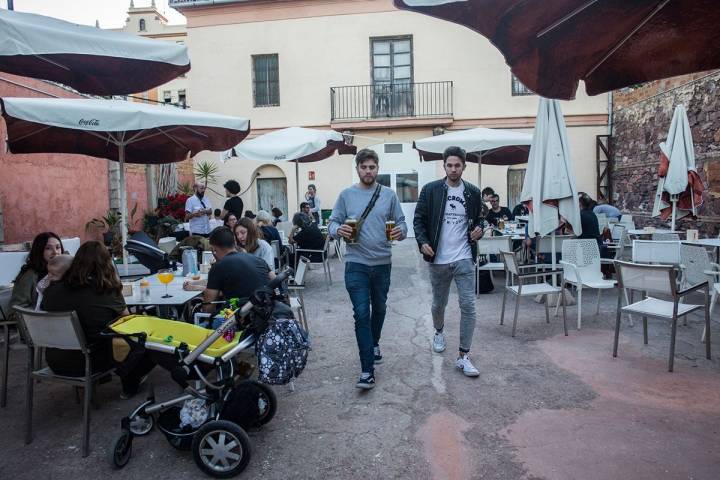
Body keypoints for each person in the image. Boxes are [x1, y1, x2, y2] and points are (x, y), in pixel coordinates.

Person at [328, 148, 407, 389]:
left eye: (372, 167)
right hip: (356, 264)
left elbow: (402, 224)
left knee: (380, 308)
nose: (368, 171)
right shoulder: (346, 195)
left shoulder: (389, 195)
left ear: (377, 169)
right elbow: (332, 222)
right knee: (362, 314)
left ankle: (374, 343)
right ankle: (367, 370)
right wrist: (336, 230)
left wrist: (400, 232)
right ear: (358, 169)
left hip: (383, 263)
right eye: (364, 167)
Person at [40, 241, 147, 398]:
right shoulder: (106, 290)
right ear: (107, 263)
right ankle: (130, 384)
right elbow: (129, 322)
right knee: (141, 340)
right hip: (90, 361)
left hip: (56, 360)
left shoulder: (51, 291)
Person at [414, 146, 485, 378]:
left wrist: (479, 229)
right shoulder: (431, 190)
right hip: (438, 259)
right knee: (439, 304)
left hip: (464, 256)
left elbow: (480, 219)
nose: (453, 169)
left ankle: (464, 356)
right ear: (444, 166)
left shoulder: (473, 192)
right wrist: (422, 241)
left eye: (458, 165)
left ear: (464, 166)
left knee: (468, 306)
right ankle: (438, 331)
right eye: (449, 165)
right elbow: (419, 220)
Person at [202, 227, 271, 312]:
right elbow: (276, 281)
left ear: (213, 249)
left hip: (242, 319)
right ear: (234, 242)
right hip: (268, 312)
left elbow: (208, 308)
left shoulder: (218, 267)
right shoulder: (259, 260)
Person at [9, 232, 64, 318]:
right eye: (48, 248)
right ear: (39, 250)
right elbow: (15, 310)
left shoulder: (66, 270)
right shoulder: (30, 275)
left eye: (58, 247)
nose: (55, 252)